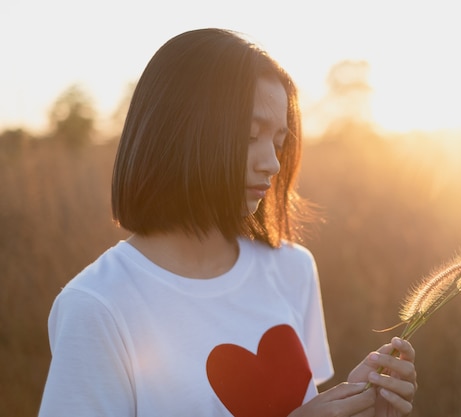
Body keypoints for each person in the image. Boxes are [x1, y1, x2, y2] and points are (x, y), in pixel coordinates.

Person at [38, 28, 417, 417]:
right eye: (250, 135)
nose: (271, 162)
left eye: (279, 142)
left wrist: (354, 403)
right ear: (179, 132)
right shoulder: (97, 307)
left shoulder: (292, 269)